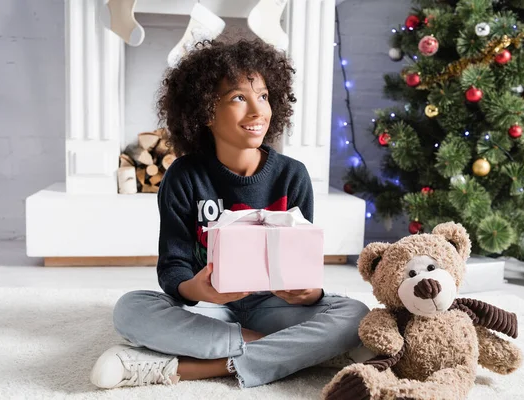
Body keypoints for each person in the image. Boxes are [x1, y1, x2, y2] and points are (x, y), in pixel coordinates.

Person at [89, 38, 370, 390]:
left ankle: (180, 368)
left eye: (264, 96)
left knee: (355, 316)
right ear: (206, 111)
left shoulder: (292, 175)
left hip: (275, 307)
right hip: (208, 310)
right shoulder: (184, 176)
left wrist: (309, 294)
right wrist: (199, 288)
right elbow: (173, 267)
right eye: (239, 97)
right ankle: (280, 350)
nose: (258, 111)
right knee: (130, 308)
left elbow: (305, 267)